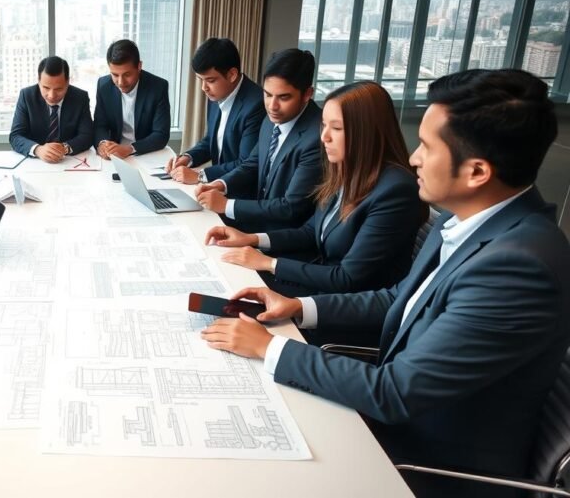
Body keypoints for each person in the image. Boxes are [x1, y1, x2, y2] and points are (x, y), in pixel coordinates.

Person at [200, 69, 570, 498]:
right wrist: (298, 307)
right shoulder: (464, 218)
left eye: (428, 148)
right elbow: (400, 298)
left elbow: (395, 392)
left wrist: (269, 347)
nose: (412, 158)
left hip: (427, 464)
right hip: (394, 419)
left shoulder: (519, 266)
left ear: (476, 171)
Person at [205, 81, 425, 299]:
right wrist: (251, 238)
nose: (324, 137)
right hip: (316, 284)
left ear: (367, 132)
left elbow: (348, 278)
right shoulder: (347, 169)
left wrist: (268, 263)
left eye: (336, 128)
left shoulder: (396, 191)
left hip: (340, 307)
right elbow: (310, 232)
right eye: (324, 125)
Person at [195, 48, 323, 233]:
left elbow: (291, 207)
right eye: (268, 94)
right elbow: (252, 164)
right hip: (257, 223)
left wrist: (227, 206)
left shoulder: (317, 137)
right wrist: (221, 184)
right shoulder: (271, 119)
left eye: (284, 97)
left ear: (307, 94)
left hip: (285, 238)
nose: (272, 106)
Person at [165, 37, 264, 184]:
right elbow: (212, 140)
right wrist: (188, 158)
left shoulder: (256, 104)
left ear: (232, 75)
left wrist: (200, 176)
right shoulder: (217, 93)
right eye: (201, 80)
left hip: (239, 191)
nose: (203, 88)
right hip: (216, 187)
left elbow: (246, 163)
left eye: (210, 81)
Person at [93, 39, 171, 158]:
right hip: (114, 154)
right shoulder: (103, 85)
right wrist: (103, 144)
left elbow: (161, 134)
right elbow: (100, 125)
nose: (120, 82)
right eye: (115, 75)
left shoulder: (158, 87)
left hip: (145, 152)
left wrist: (130, 149)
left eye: (127, 75)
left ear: (139, 66)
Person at [9, 56, 93, 162]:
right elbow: (15, 136)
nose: (52, 95)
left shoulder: (80, 97)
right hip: (35, 163)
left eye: (59, 89)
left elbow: (87, 135)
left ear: (68, 82)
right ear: (38, 81)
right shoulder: (27, 96)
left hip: (68, 162)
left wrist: (64, 148)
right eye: (46, 88)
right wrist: (38, 150)